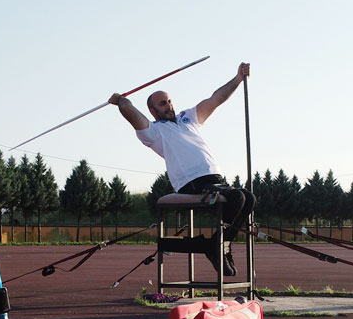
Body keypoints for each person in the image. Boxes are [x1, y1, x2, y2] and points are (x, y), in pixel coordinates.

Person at [109, 63, 255, 276]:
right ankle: (218, 247)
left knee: (248, 198)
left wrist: (238, 78)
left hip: (216, 180)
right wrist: (121, 101)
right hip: (193, 183)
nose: (168, 105)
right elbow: (131, 114)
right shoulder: (154, 132)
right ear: (153, 110)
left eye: (169, 100)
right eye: (162, 103)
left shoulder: (189, 118)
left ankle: (219, 245)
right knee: (237, 199)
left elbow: (216, 99)